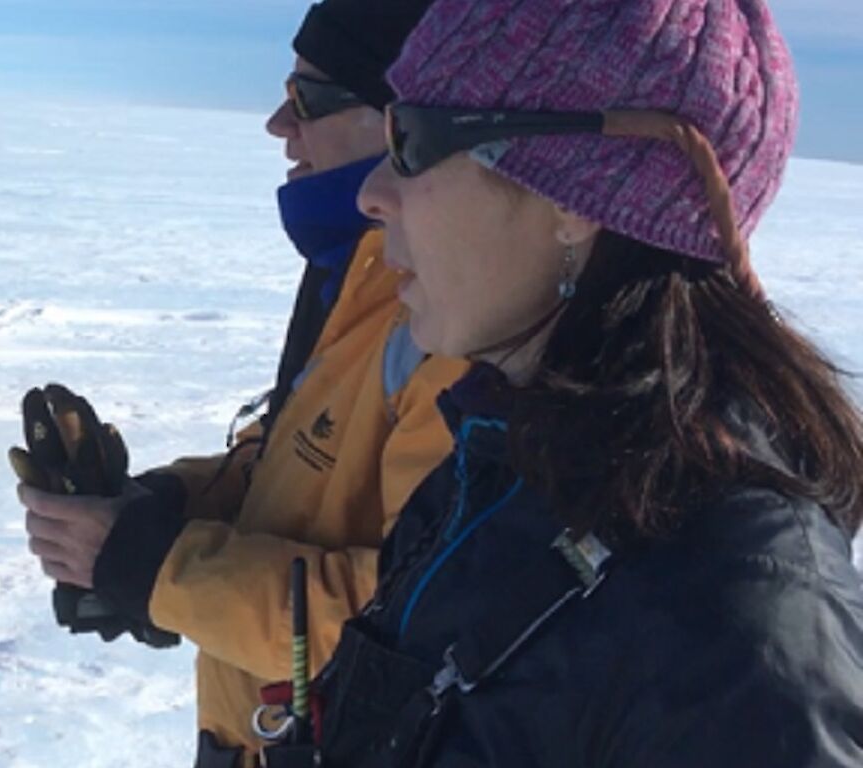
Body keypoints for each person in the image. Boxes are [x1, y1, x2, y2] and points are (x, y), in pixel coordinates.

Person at [307, 0, 863, 765]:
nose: (373, 192)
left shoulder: (740, 623)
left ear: (574, 199)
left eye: (412, 140)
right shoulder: (500, 457)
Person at [17, 0, 465, 765]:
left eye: (308, 101)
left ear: (402, 120)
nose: (277, 125)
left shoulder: (454, 325)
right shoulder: (356, 275)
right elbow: (303, 461)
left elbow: (412, 620)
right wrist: (163, 507)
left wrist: (154, 567)